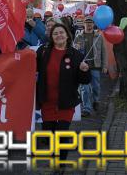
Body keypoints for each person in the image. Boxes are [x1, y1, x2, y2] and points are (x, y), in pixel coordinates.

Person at [36, 23, 91, 161]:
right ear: (51, 37)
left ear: (67, 35)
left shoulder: (76, 55)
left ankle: (60, 165)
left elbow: (84, 80)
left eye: (61, 32)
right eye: (55, 33)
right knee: (49, 135)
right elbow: (32, 67)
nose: (59, 35)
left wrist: (85, 71)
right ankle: (54, 157)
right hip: (47, 102)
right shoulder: (43, 51)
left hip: (66, 103)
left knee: (62, 135)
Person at [73, 16, 108, 117]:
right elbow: (74, 51)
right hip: (83, 67)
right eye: (87, 22)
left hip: (95, 66)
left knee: (96, 87)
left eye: (91, 23)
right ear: (84, 24)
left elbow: (104, 52)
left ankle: (96, 100)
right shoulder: (79, 36)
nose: (89, 24)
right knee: (85, 89)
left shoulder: (99, 36)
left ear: (93, 24)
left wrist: (104, 66)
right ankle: (86, 108)